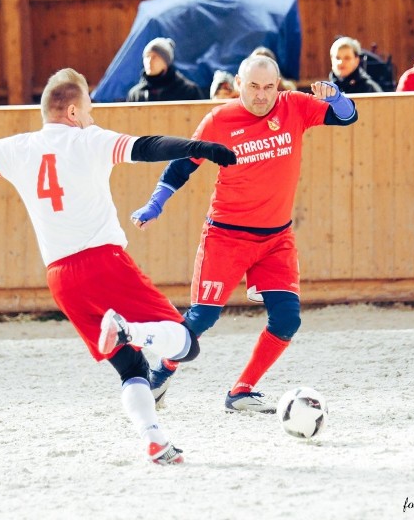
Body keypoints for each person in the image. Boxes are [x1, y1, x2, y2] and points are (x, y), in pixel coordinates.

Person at [0, 68, 236, 464]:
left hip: (61, 278)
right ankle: (131, 330)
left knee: (131, 366)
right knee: (186, 345)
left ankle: (154, 439)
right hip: (103, 262)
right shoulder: (89, 140)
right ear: (74, 111)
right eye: (90, 109)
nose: (93, 116)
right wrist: (201, 147)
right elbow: (147, 146)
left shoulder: (17, 148)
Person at [131, 56, 358, 413]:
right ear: (239, 84)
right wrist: (155, 203)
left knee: (287, 320)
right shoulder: (219, 121)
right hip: (226, 236)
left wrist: (336, 98)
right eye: (253, 86)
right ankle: (161, 375)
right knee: (201, 319)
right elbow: (181, 167)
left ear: (279, 85)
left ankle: (241, 391)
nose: (262, 96)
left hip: (276, 239)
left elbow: (347, 117)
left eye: (270, 87)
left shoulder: (294, 106)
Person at [126, 38, 206, 102]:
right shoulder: (135, 95)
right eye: (147, 56)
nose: (149, 61)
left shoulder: (188, 91)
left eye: (155, 57)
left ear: (166, 62)